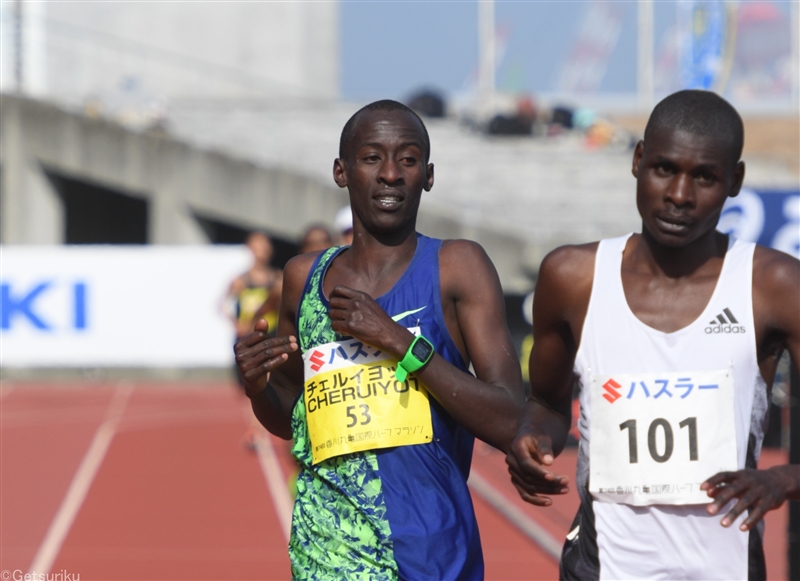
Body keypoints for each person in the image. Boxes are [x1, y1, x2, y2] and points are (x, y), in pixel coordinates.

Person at [507, 90, 800, 580]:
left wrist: (783, 479)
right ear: (638, 160)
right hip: (601, 568)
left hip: (726, 568)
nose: (680, 195)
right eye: (665, 169)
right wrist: (533, 436)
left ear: (735, 181)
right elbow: (546, 403)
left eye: (704, 176)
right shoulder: (572, 277)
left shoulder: (774, 286)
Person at [234, 100, 524, 580]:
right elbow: (292, 420)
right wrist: (258, 386)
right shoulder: (303, 277)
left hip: (431, 555)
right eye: (371, 158)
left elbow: (510, 418)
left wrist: (398, 342)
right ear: (341, 171)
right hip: (326, 554)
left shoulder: (457, 266)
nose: (390, 174)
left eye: (407, 160)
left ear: (427, 176)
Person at [225, 231, 283, 342]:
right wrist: (236, 324)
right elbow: (225, 305)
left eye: (264, 246)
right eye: (257, 246)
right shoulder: (240, 280)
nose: (261, 250)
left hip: (271, 336)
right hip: (247, 337)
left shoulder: (278, 278)